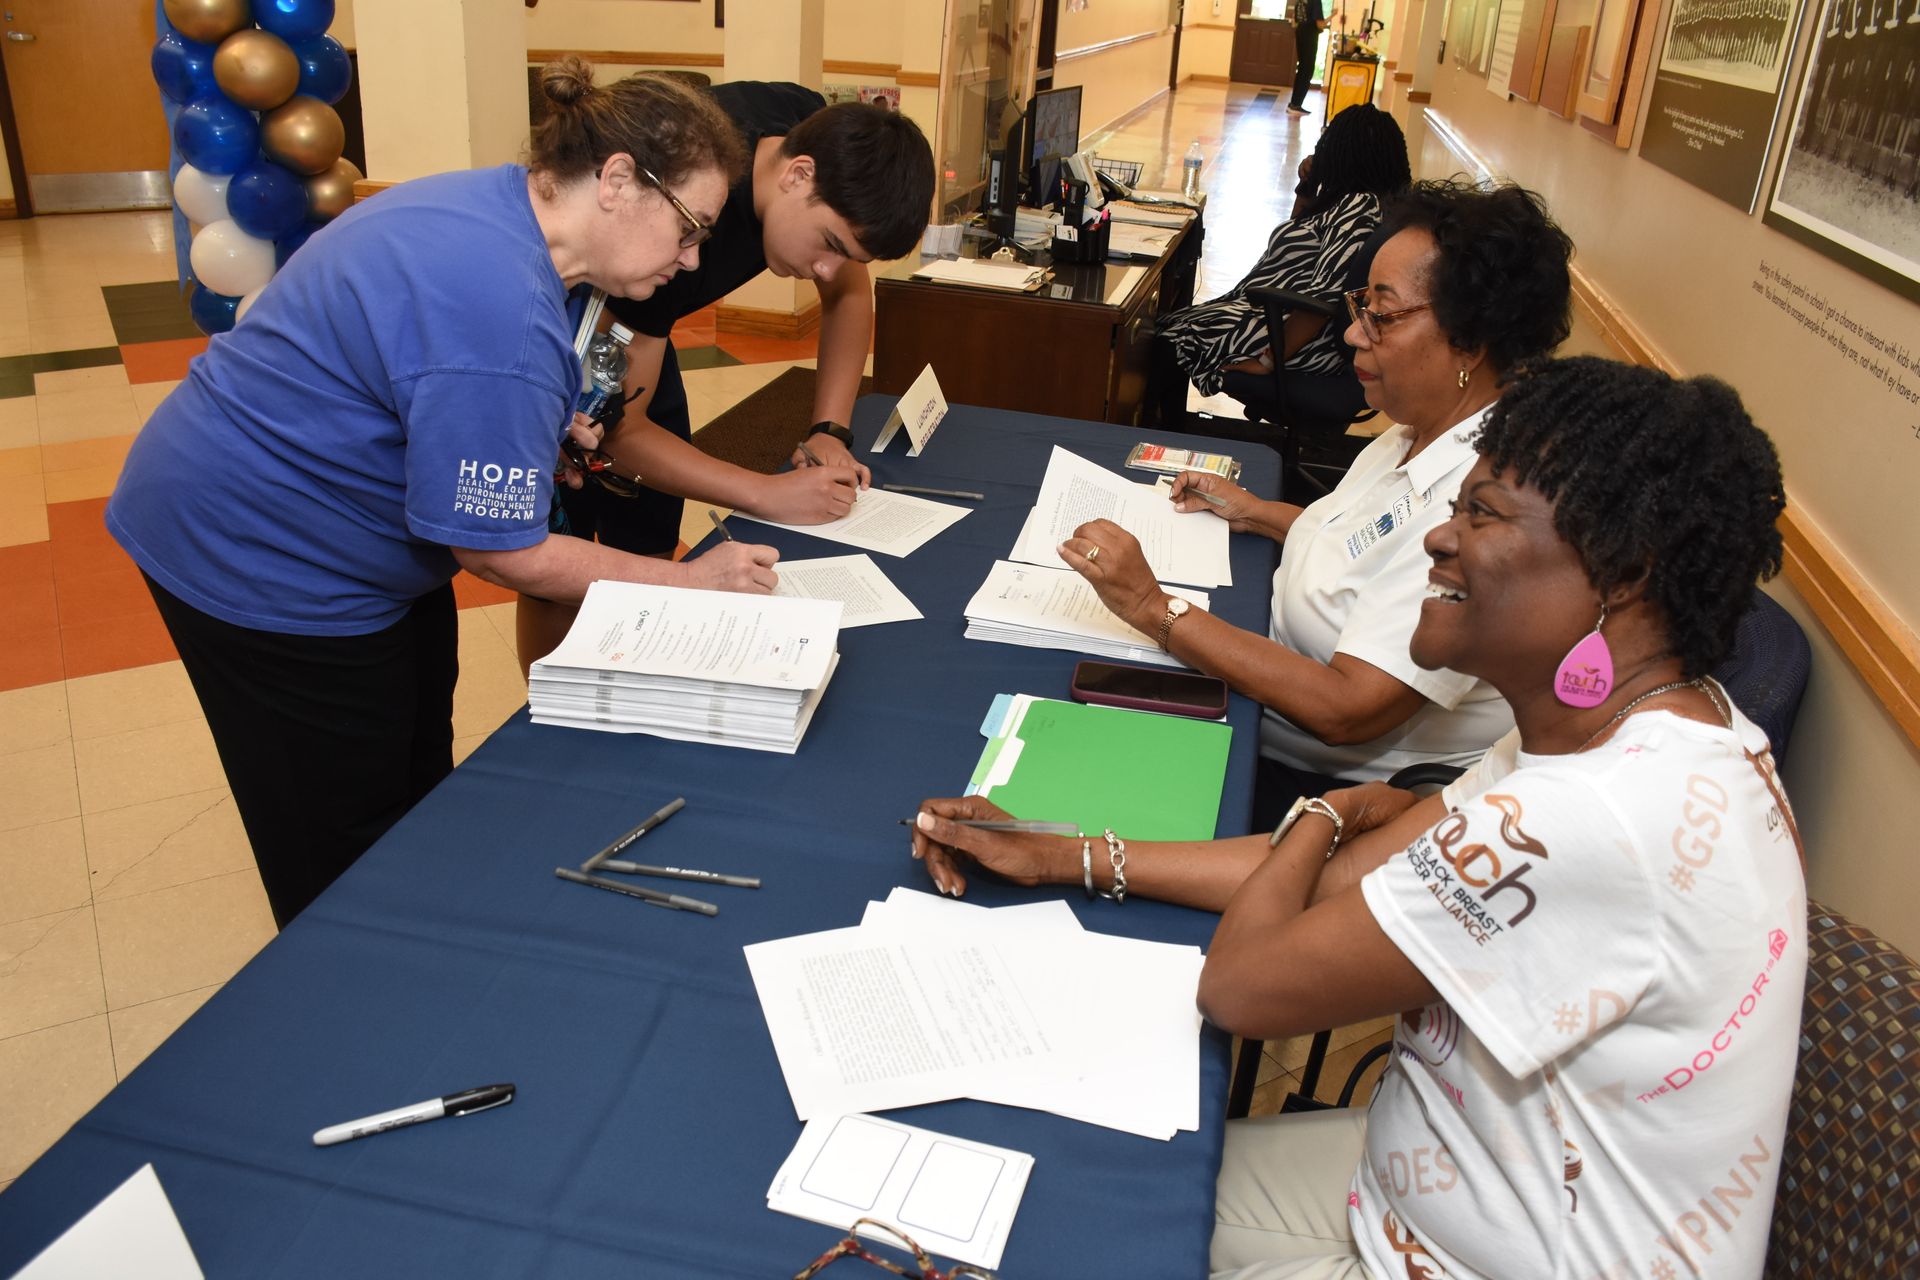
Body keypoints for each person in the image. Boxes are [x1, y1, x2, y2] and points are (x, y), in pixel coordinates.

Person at [910, 355, 1805, 1279]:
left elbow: (1242, 985)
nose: (1440, 541)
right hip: (1443, 1188)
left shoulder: (1590, 814)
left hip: (1481, 1251)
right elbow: (1350, 885)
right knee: (1085, 1189)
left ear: (1622, 571)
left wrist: (1321, 814)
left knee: (1050, 1233)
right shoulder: (1637, 727)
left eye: (1484, 514)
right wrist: (1060, 854)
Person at [107, 60, 778, 928]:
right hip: (254, 549)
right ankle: (352, 996)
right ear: (616, 181)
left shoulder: (504, 207)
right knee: (341, 844)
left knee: (417, 772)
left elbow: (432, 374)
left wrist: (541, 423)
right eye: (689, 229)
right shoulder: (499, 304)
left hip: (336, 526)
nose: (692, 261)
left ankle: (411, 939)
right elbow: (502, 552)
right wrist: (693, 581)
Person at [1073, 181, 1574, 824]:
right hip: (1267, 704)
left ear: (1471, 344)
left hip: (1320, 791)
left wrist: (1152, 607)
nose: (1352, 337)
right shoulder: (1419, 428)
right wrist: (1251, 509)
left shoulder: (1487, 513)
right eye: (1359, 304)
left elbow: (1347, 710)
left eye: (1382, 316)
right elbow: (1361, 541)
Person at [517, 87, 936, 670]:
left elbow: (845, 290)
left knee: (648, 535)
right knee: (558, 562)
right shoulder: (672, 240)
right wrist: (766, 493)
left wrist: (830, 429)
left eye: (850, 256)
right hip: (570, 336)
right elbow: (623, 434)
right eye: (830, 245)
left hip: (643, 335)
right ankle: (547, 717)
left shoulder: (808, 123)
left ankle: (637, 686)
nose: (826, 269)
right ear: (797, 174)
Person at [1156, 103, 1410, 405]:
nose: (1322, 151)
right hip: (1284, 321)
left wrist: (1267, 361)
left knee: (1170, 340)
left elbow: (1323, 297)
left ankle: (1155, 434)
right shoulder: (1357, 203)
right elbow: (1294, 240)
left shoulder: (1358, 207)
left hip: (1303, 340)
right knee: (1163, 325)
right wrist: (1308, 189)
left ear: (1346, 156)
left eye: (1329, 145)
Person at [1288, 0, 1329, 116]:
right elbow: (1320, 24)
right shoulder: (1315, 1)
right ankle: (1296, 105)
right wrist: (1332, 16)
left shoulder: (1300, 2)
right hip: (1310, 37)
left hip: (1300, 33)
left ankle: (1293, 104)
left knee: (1302, 69)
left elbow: (1294, 22)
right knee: (1307, 70)